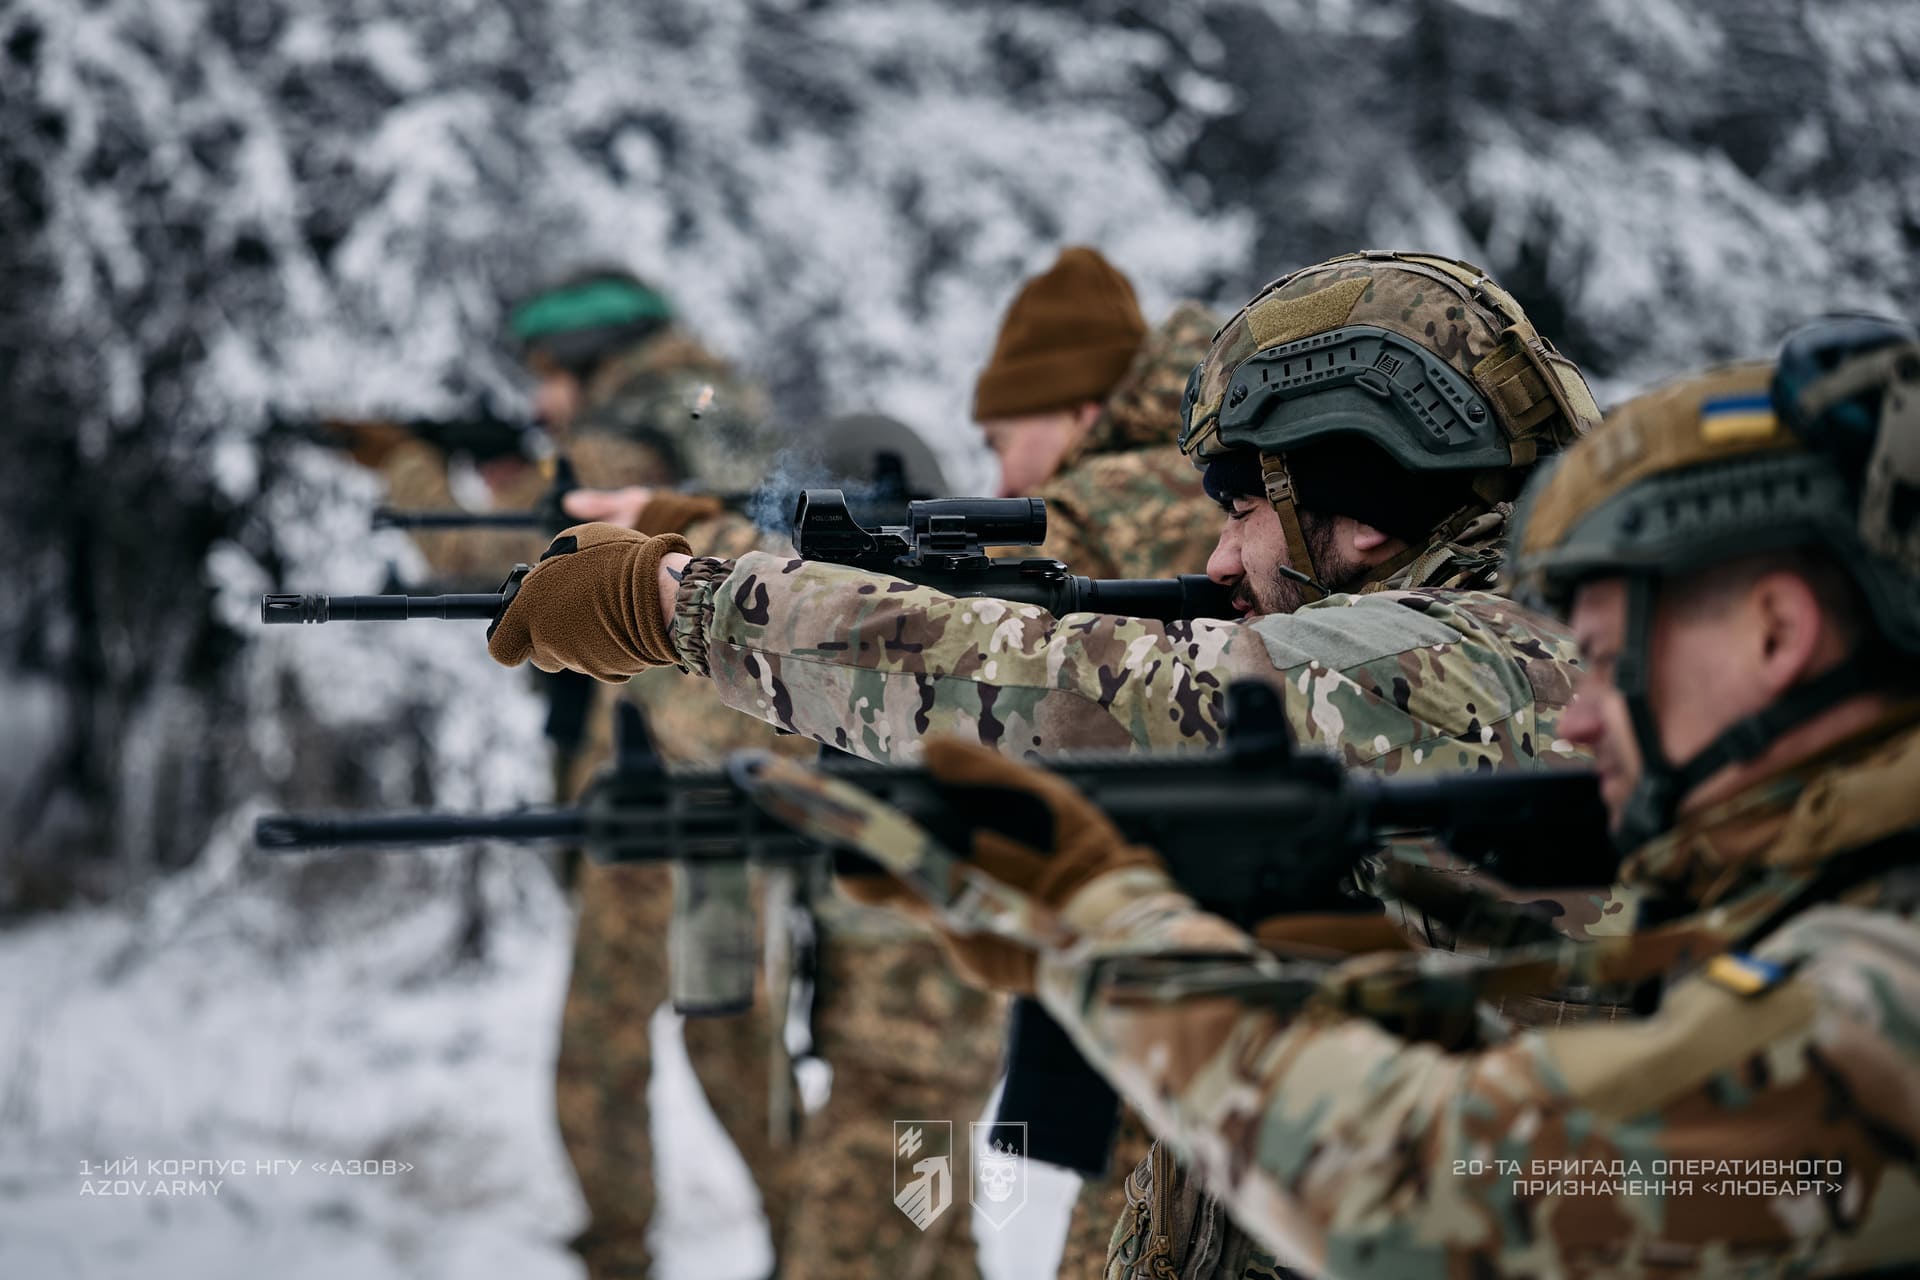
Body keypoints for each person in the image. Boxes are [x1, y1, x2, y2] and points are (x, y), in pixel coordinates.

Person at [481, 249, 1606, 1272]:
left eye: (1245, 509)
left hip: (926, 1053)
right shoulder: (1535, 636)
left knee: (891, 1235)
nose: (1214, 555)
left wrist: (682, 598)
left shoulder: (1455, 661)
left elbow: (1044, 679)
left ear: (1359, 503)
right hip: (1084, 1069)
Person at [805, 320, 1920, 1277]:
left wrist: (1108, 927)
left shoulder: (1886, 991)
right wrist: (1404, 995)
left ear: (1777, 632)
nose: (1580, 719)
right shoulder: (1828, 893)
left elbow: (1434, 1185)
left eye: (1617, 657)